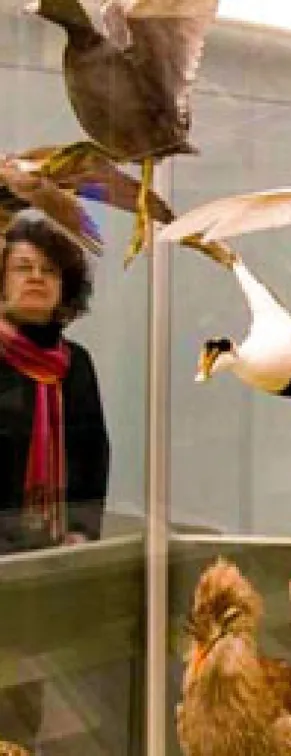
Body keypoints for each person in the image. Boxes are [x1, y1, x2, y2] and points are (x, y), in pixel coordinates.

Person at [0, 213, 111, 750]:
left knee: (25, 694)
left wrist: (83, 535)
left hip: (44, 556)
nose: (36, 278)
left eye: (48, 270)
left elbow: (93, 456)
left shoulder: (77, 364)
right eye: (22, 267)